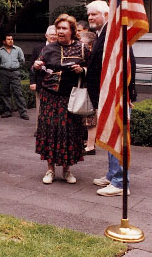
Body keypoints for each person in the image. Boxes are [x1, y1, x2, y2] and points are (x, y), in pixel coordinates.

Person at [86, 0, 136, 196]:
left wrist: (130, 93)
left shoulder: (114, 33)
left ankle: (120, 182)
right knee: (109, 135)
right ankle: (112, 174)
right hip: (106, 95)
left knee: (118, 136)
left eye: (94, 14)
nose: (90, 18)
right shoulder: (103, 34)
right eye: (89, 15)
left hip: (117, 96)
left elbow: (129, 62)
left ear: (106, 15)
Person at [32, 14, 89, 184]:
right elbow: (38, 68)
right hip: (50, 97)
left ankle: (67, 170)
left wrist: (82, 70)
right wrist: (36, 67)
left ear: (72, 30)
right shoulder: (48, 49)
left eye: (64, 28)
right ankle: (50, 170)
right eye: (59, 28)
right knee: (50, 131)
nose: (60, 31)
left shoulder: (83, 48)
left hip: (70, 97)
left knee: (68, 134)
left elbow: (92, 69)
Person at [29, 25, 57, 135]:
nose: (53, 37)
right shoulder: (38, 48)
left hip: (54, 84)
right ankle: (39, 129)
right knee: (40, 108)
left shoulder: (59, 48)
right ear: (46, 36)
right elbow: (32, 66)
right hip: (40, 83)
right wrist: (32, 82)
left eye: (55, 35)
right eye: (51, 35)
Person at [0, 33, 29, 120]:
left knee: (18, 92)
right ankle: (7, 111)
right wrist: (4, 67)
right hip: (4, 73)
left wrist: (16, 67)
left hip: (15, 72)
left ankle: (23, 112)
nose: (11, 41)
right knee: (5, 92)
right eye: (8, 39)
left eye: (12, 39)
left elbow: (22, 61)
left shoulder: (18, 50)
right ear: (4, 41)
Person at [75, 20, 97, 155]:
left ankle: (90, 145)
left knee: (90, 116)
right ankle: (86, 142)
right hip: (82, 86)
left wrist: (82, 70)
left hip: (89, 87)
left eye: (79, 30)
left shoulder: (91, 52)